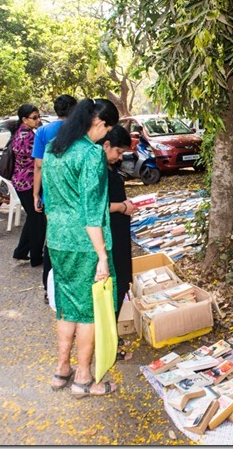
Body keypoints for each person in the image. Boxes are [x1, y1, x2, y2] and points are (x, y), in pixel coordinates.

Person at [42, 98, 119, 397]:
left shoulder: (53, 149)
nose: (106, 136)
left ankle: (62, 370)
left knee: (67, 306)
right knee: (88, 311)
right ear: (99, 123)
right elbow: (91, 211)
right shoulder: (90, 154)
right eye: (108, 129)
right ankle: (84, 378)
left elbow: (50, 198)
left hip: (58, 239)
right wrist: (102, 255)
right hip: (86, 244)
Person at [32, 94, 77, 300]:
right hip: (74, 192)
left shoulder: (42, 131)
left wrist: (36, 194)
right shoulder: (78, 130)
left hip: (52, 194)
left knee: (52, 241)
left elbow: (39, 165)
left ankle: (49, 288)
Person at [97, 125, 137, 361]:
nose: (120, 158)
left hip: (118, 230)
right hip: (110, 232)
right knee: (116, 283)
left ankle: (112, 336)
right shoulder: (98, 170)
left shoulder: (108, 167)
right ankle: (109, 341)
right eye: (119, 152)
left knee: (122, 281)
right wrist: (122, 206)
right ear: (106, 146)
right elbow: (98, 206)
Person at [9, 104, 45, 267]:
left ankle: (21, 252)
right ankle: (36, 257)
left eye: (38, 117)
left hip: (21, 181)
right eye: (34, 118)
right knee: (37, 220)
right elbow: (38, 162)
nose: (38, 120)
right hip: (29, 182)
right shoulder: (27, 136)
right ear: (24, 119)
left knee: (33, 218)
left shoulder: (22, 133)